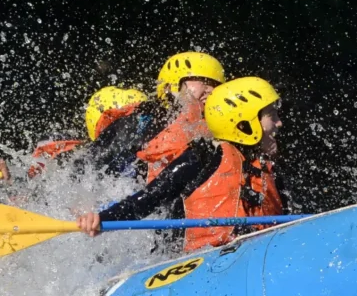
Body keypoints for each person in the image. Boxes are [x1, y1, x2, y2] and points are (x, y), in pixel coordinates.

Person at [76, 77, 284, 252]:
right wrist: (102, 219)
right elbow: (149, 198)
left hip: (256, 249)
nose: (279, 123)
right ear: (243, 124)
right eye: (271, 116)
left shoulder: (264, 166)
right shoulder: (203, 158)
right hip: (209, 258)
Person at [85, 51, 225, 178]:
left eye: (215, 85)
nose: (210, 90)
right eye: (204, 82)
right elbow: (93, 165)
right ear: (170, 87)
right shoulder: (143, 121)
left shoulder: (217, 128)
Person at [0, 86, 148, 185]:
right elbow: (32, 190)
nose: (137, 135)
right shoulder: (72, 163)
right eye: (129, 126)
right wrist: (8, 180)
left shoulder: (155, 161)